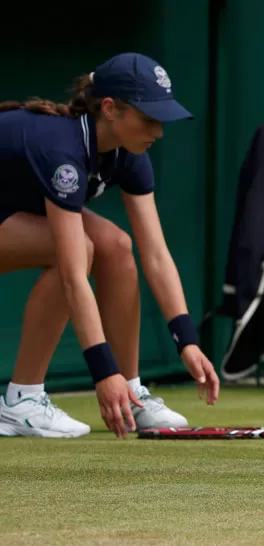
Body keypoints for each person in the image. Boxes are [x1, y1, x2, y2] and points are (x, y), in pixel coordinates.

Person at [0, 52, 220, 439]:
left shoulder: (130, 153)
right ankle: (22, 400)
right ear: (109, 109)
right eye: (149, 119)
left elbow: (154, 253)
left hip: (10, 208)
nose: (159, 131)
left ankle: (132, 391)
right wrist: (103, 372)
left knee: (116, 245)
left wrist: (186, 341)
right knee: (78, 251)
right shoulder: (62, 152)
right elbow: (72, 275)